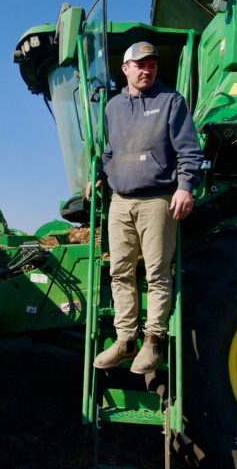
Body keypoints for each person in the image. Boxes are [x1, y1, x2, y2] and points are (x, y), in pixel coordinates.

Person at [88, 41, 203, 374]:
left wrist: (185, 187)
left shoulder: (171, 101)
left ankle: (153, 342)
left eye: (151, 64)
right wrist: (98, 175)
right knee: (120, 271)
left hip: (157, 199)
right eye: (140, 64)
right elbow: (109, 151)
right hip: (120, 201)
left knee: (156, 274)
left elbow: (188, 151)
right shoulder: (112, 108)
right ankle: (125, 341)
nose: (147, 69)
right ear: (125, 69)